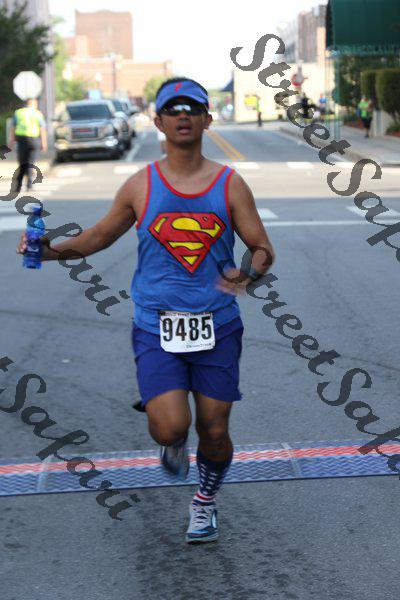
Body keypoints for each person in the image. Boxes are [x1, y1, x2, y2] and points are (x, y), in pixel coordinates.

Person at [17, 77, 275, 544]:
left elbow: (261, 246)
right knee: (170, 427)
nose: (183, 116)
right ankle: (171, 440)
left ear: (206, 120)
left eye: (192, 109)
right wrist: (47, 250)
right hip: (157, 326)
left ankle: (204, 502)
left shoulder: (230, 184)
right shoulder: (140, 185)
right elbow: (97, 237)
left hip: (217, 325)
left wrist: (248, 273)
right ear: (158, 122)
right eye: (173, 109)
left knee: (215, 429)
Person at [9, 98, 47, 192]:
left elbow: (13, 128)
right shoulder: (37, 113)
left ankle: (18, 186)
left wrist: (11, 142)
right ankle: (29, 185)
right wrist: (44, 143)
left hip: (21, 140)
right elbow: (42, 129)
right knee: (30, 163)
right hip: (34, 140)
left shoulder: (18, 113)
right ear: (34, 104)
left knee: (22, 163)